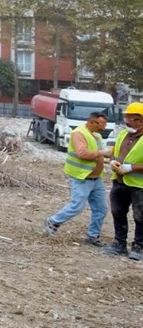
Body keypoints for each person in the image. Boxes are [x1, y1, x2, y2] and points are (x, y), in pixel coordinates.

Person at [44, 112, 112, 244]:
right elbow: (82, 153)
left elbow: (97, 154)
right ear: (92, 122)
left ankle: (93, 236)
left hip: (96, 178)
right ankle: (53, 221)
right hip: (81, 177)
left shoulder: (96, 135)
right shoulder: (78, 133)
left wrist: (108, 160)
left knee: (101, 208)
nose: (103, 128)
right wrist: (103, 152)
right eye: (101, 125)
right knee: (77, 205)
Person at [106, 103, 143, 259]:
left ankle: (139, 247)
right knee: (118, 213)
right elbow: (116, 151)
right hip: (119, 181)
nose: (127, 121)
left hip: (139, 185)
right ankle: (119, 244)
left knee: (140, 216)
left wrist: (132, 168)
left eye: (130, 118)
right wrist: (113, 161)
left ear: (140, 120)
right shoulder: (123, 134)